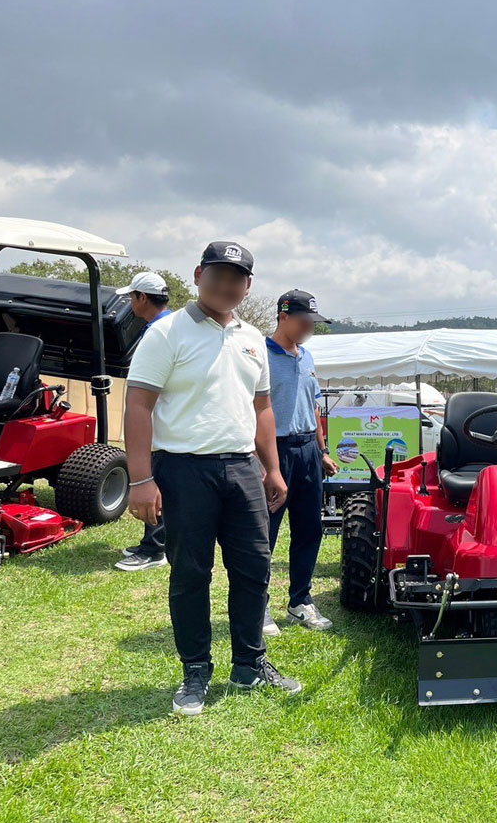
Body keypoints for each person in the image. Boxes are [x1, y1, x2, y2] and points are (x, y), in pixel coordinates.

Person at [125, 241, 300, 717]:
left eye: (236, 278)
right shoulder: (166, 333)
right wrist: (140, 480)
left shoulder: (252, 338)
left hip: (243, 468)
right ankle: (196, 671)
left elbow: (262, 408)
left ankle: (249, 665)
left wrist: (271, 468)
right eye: (217, 275)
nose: (226, 285)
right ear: (199, 274)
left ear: (248, 286)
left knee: (254, 568)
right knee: (190, 573)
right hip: (184, 469)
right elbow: (138, 404)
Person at [263, 289, 338, 636]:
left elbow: (314, 408)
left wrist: (321, 452)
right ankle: (258, 606)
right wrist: (263, 463)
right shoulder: (260, 356)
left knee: (309, 529)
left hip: (308, 451)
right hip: (273, 451)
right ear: (283, 317)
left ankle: (300, 602)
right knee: (264, 533)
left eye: (314, 322)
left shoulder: (307, 357)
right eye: (305, 321)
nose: (310, 328)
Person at [115, 271, 173, 572]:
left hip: (161, 422)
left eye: (131, 297)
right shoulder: (164, 327)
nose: (130, 303)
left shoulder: (161, 331)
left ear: (143, 297)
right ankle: (152, 542)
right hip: (161, 421)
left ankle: (155, 549)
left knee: (156, 484)